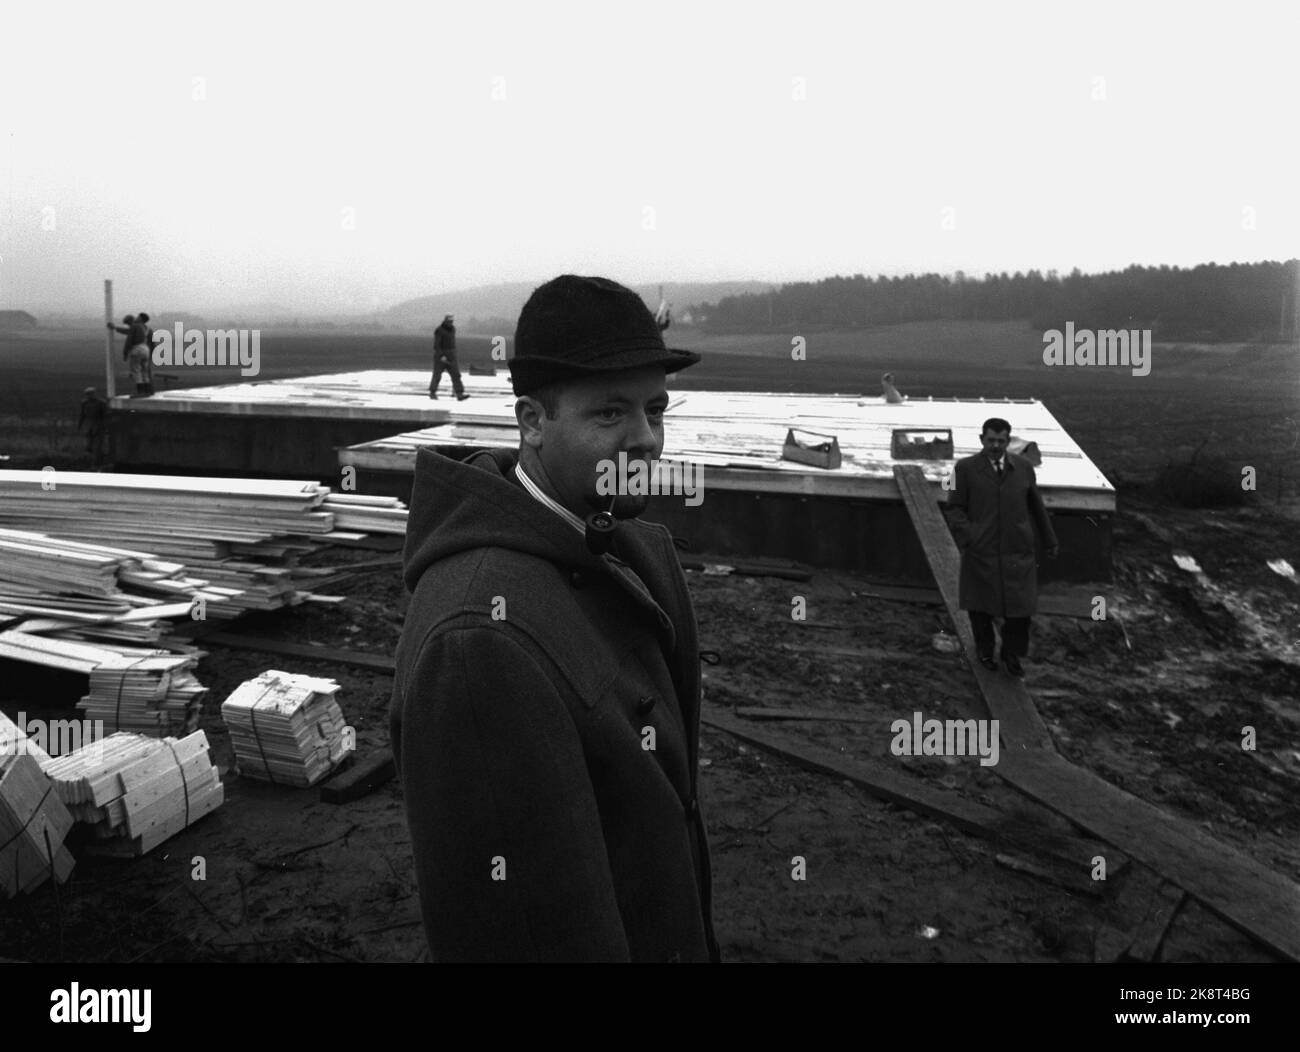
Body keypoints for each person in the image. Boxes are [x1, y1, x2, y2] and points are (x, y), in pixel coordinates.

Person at [391, 274, 719, 962]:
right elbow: (526, 933)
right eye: (610, 415)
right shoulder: (479, 642)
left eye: (655, 410)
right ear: (532, 422)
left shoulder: (625, 549)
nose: (647, 441)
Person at [946, 417, 1059, 676]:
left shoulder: (1023, 468)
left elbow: (1036, 506)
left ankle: (1012, 655)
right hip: (981, 551)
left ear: (1008, 441)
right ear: (981, 440)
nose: (995, 445)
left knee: (1021, 609)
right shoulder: (963, 469)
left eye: (1001, 441)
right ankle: (985, 652)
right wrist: (970, 536)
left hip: (1017, 551)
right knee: (980, 607)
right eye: (990, 440)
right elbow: (954, 508)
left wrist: (1049, 539)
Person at [108, 314, 150, 396]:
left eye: (127, 323)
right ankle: (147, 391)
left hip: (137, 349)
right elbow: (128, 331)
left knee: (136, 370)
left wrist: (125, 353)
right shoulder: (144, 327)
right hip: (145, 349)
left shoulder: (134, 326)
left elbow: (129, 340)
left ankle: (140, 392)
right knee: (144, 371)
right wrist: (115, 328)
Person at [429, 313, 468, 400]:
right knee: (437, 375)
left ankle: (459, 394)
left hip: (452, 355)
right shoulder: (439, 330)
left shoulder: (453, 329)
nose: (451, 323)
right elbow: (437, 345)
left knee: (456, 375)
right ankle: (432, 392)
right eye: (449, 321)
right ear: (445, 321)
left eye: (452, 321)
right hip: (441, 356)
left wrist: (453, 354)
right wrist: (441, 355)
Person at [77, 386, 108, 468]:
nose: (89, 396)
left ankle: (98, 464)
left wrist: (105, 427)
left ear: (94, 394)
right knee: (88, 447)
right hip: (89, 428)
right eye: (87, 394)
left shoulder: (101, 403)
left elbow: (105, 416)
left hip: (99, 428)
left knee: (98, 447)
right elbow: (82, 415)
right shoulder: (84, 403)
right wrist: (79, 426)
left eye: (90, 394)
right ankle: (91, 464)